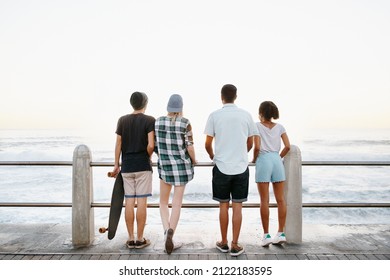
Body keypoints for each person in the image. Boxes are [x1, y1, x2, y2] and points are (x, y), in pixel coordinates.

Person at [204, 84, 258, 257]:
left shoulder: (214, 115)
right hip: (241, 167)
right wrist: (241, 154)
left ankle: (224, 242)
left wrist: (214, 156)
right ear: (236, 96)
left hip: (221, 166)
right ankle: (235, 244)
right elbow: (251, 142)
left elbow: (207, 143)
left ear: (222, 97)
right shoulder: (246, 115)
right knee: (237, 207)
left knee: (223, 206)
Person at [111, 91, 155, 249]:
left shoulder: (122, 120)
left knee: (129, 201)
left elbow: (118, 144)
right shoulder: (150, 120)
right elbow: (151, 145)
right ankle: (140, 238)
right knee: (142, 201)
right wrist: (147, 156)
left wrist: (116, 164)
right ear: (145, 103)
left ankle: (130, 239)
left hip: (127, 167)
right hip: (143, 166)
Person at [155, 94, 197, 254]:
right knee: (177, 203)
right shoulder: (185, 123)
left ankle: (167, 231)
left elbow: (156, 145)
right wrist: (195, 160)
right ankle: (171, 234)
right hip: (181, 167)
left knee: (163, 202)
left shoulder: (158, 122)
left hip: (165, 166)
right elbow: (190, 146)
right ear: (181, 108)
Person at [252, 101, 290, 247]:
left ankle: (266, 235)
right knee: (280, 200)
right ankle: (281, 233)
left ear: (261, 112)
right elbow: (287, 146)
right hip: (276, 161)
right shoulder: (280, 127)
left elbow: (256, 147)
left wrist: (255, 159)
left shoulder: (257, 126)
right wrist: (278, 157)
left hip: (264, 161)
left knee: (264, 201)